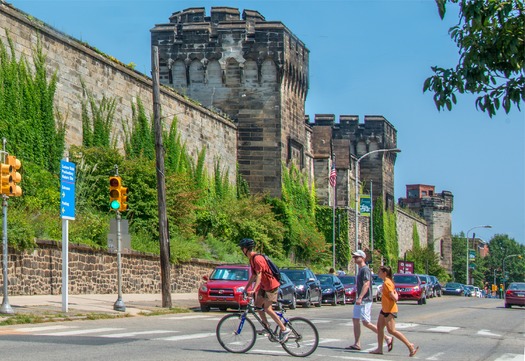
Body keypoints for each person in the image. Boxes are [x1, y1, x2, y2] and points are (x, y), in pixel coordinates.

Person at [239, 238, 291, 342]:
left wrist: (253, 290)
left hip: (271, 285)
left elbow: (259, 275)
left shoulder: (257, 259)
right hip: (264, 286)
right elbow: (253, 275)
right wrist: (246, 288)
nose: (241, 250)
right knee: (258, 305)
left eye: (242, 248)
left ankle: (284, 329)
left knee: (267, 308)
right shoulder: (252, 259)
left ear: (245, 249)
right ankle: (267, 326)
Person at [346, 250, 393, 351]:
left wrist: (360, 297)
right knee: (355, 319)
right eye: (354, 257)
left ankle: (387, 338)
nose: (354, 258)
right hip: (361, 299)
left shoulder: (365, 270)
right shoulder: (360, 270)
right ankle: (357, 343)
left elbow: (366, 284)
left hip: (365, 300)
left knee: (366, 322)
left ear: (362, 258)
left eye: (356, 257)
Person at [369, 265, 419, 357]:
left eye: (379, 272)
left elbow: (395, 298)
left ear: (384, 273)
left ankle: (410, 346)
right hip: (384, 309)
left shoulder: (387, 283)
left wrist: (396, 295)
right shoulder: (387, 282)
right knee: (379, 328)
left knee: (392, 331)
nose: (378, 273)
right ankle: (379, 349)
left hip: (390, 310)